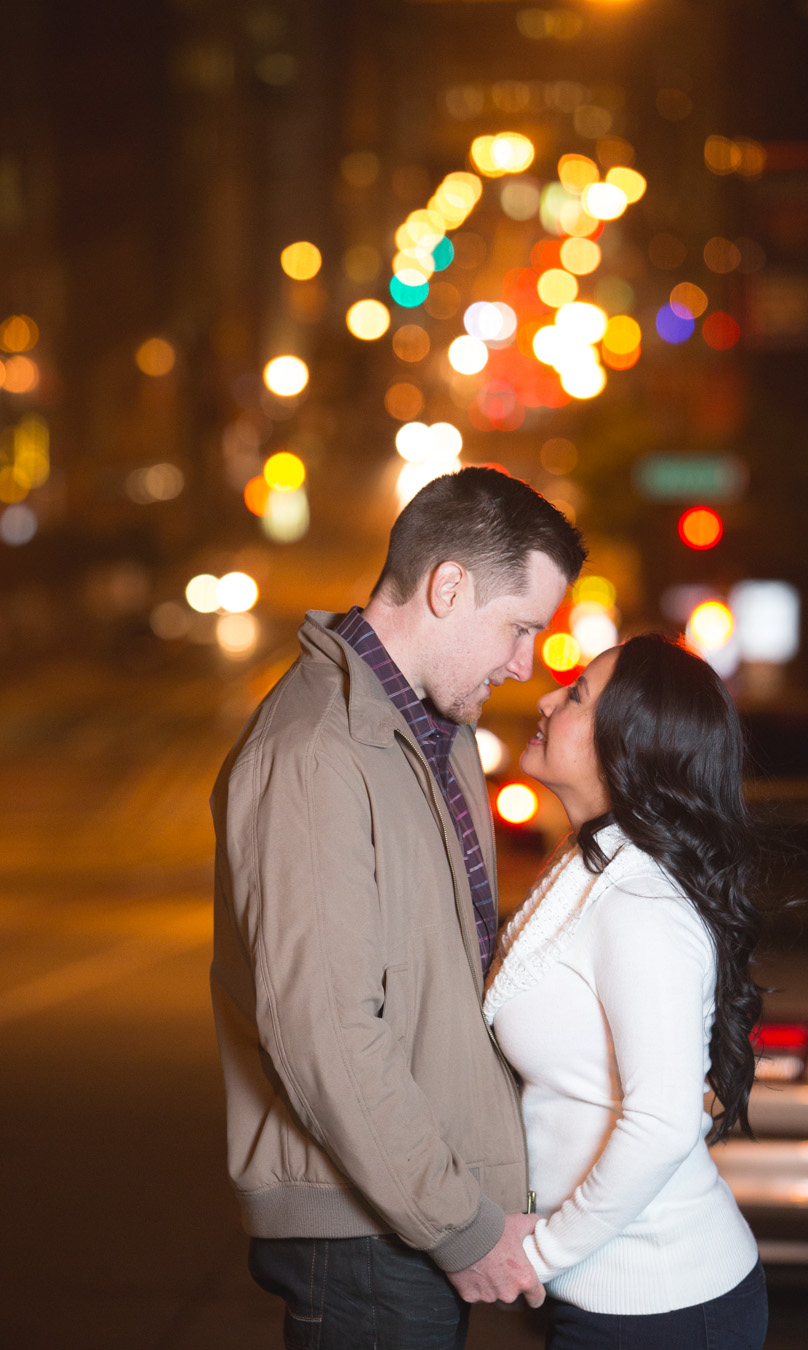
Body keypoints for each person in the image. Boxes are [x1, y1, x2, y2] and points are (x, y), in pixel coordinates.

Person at [210, 466, 587, 1349]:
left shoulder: (433, 736)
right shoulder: (316, 752)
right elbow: (328, 1033)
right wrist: (459, 1222)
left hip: (406, 1212)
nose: (525, 662)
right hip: (368, 1235)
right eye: (520, 626)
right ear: (448, 586)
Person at [483, 633, 768, 1350]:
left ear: (628, 747)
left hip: (662, 1302)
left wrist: (536, 1256)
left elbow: (664, 1121)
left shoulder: (640, 903)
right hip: (604, 1294)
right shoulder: (589, 865)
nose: (547, 699)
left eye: (576, 695)